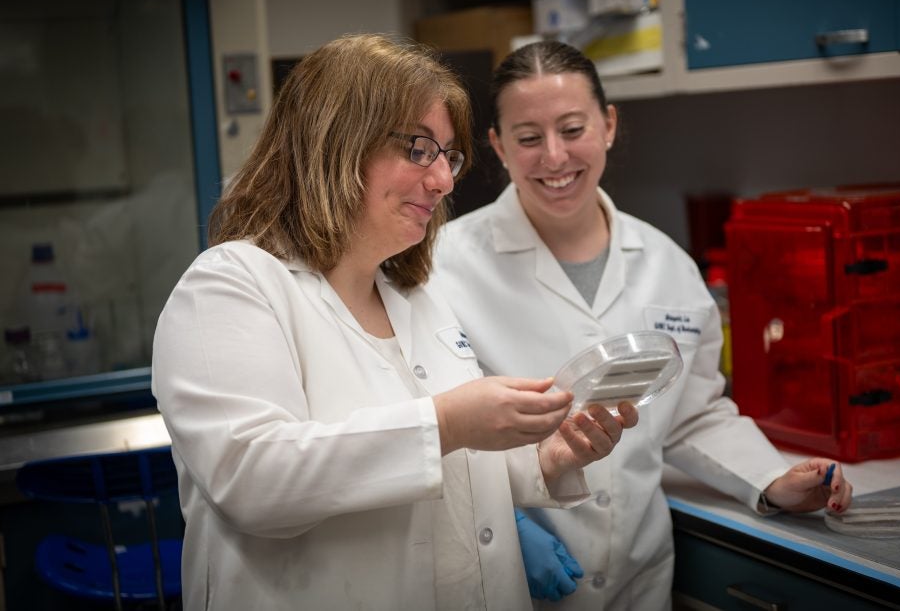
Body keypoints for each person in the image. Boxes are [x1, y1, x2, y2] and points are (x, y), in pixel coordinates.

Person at [151, 34, 638, 611]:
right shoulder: (231, 284)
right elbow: (251, 480)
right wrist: (447, 423)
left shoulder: (413, 296)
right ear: (335, 143)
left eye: (448, 156)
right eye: (418, 150)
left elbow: (446, 467)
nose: (444, 181)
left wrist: (544, 458)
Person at [431, 40, 855, 610]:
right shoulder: (442, 263)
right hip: (501, 567)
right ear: (498, 146)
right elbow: (427, 431)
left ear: (608, 125)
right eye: (529, 138)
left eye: (573, 128)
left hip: (638, 572)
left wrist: (772, 481)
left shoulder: (668, 265)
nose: (554, 157)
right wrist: (504, 520)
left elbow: (692, 415)